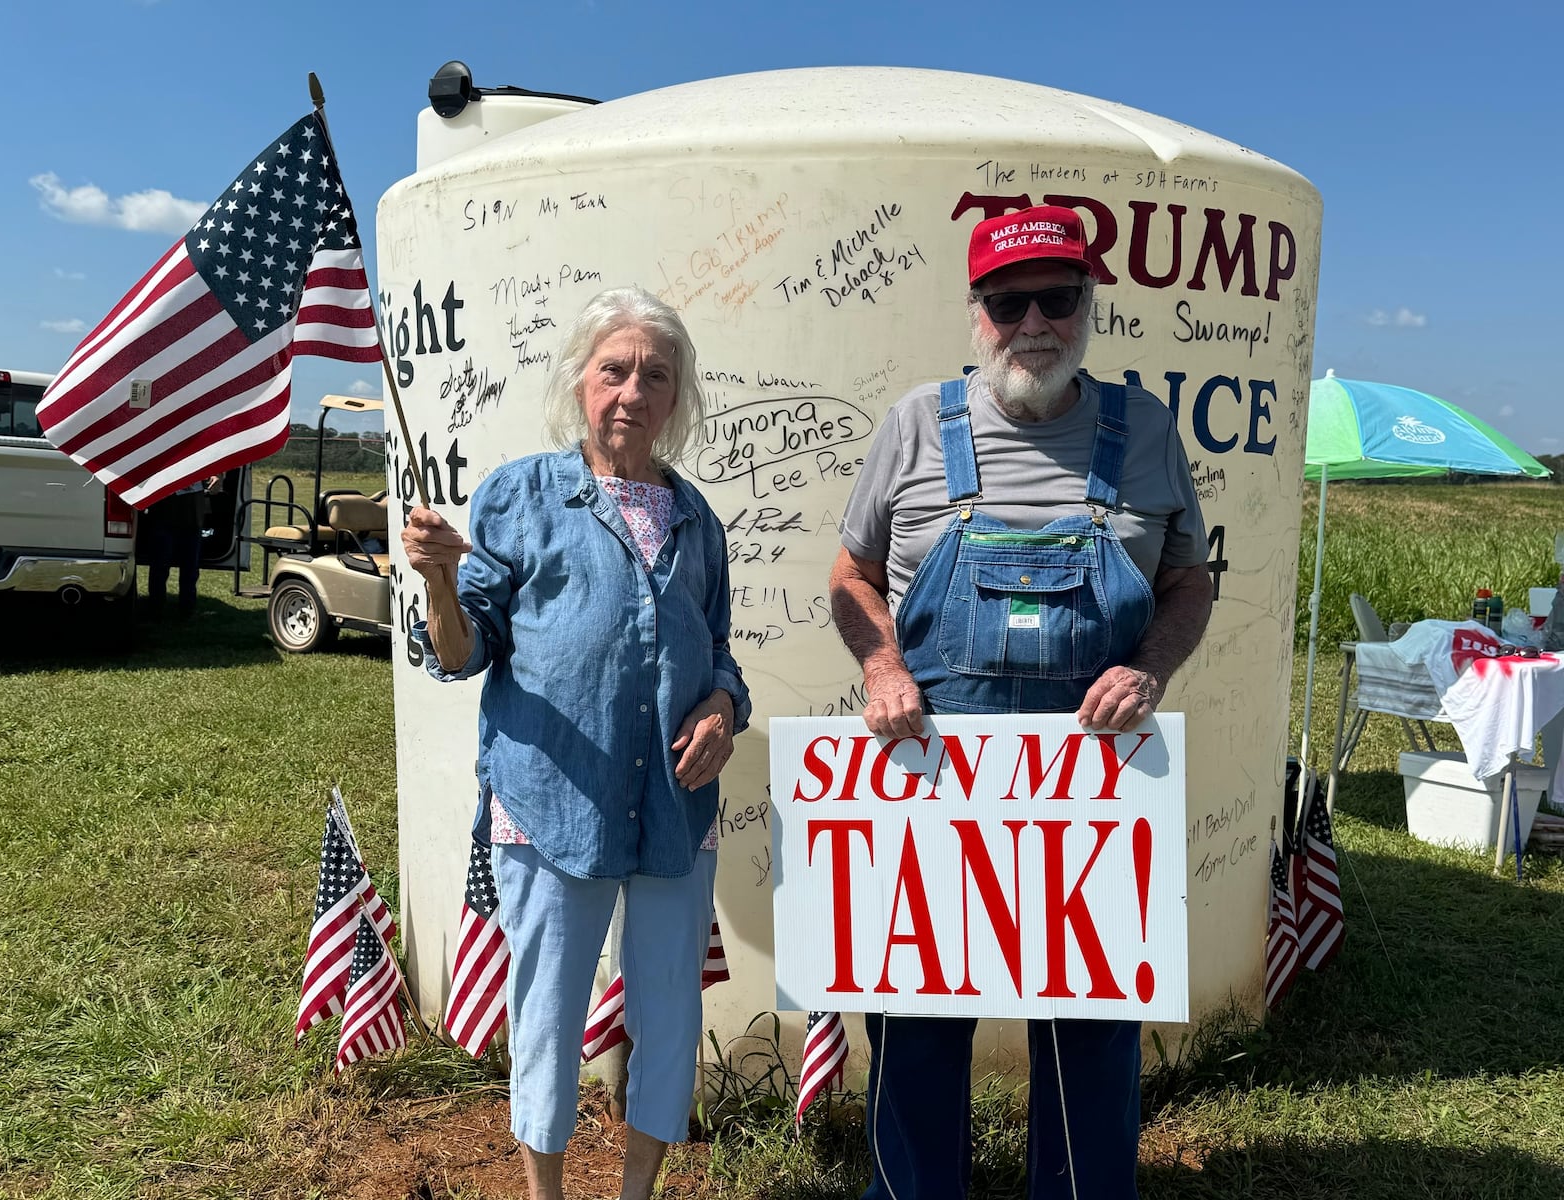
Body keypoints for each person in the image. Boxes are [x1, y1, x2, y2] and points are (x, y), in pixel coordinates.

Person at [829, 206, 1214, 1200]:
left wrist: (1152, 669)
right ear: (976, 313)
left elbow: (1189, 583)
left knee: (1090, 1024)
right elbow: (850, 575)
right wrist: (882, 669)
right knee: (913, 1016)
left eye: (1057, 297)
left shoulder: (1145, 431)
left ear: (1088, 305)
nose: (1033, 321)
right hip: (934, 782)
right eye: (1008, 302)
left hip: (1093, 789)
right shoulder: (916, 425)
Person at [401, 286, 749, 1200]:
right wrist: (443, 578)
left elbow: (721, 658)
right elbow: (463, 650)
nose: (634, 391)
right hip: (552, 801)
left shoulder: (698, 520)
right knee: (549, 1015)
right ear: (581, 383)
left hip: (675, 811)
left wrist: (720, 709)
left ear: (679, 398)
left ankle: (636, 1193)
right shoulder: (520, 496)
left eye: (656, 375)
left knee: (668, 1014)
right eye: (616, 370)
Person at [138, 475, 218, 617]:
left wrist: (217, 475)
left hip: (192, 516)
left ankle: (187, 609)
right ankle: (155, 608)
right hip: (164, 514)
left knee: (190, 567)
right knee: (160, 565)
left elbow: (212, 468)